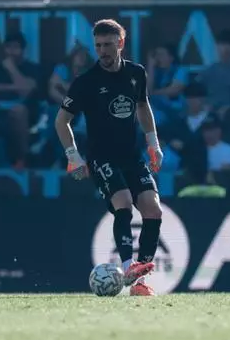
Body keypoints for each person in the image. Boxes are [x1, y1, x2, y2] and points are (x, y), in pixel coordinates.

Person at [55, 18, 163, 297]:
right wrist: (73, 156)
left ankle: (139, 282)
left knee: (153, 209)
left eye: (108, 45)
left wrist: (153, 144)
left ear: (121, 43)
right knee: (123, 202)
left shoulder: (136, 73)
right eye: (98, 46)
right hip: (101, 157)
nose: (102, 51)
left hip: (132, 155)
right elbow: (61, 121)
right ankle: (127, 266)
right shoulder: (86, 82)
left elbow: (143, 107)